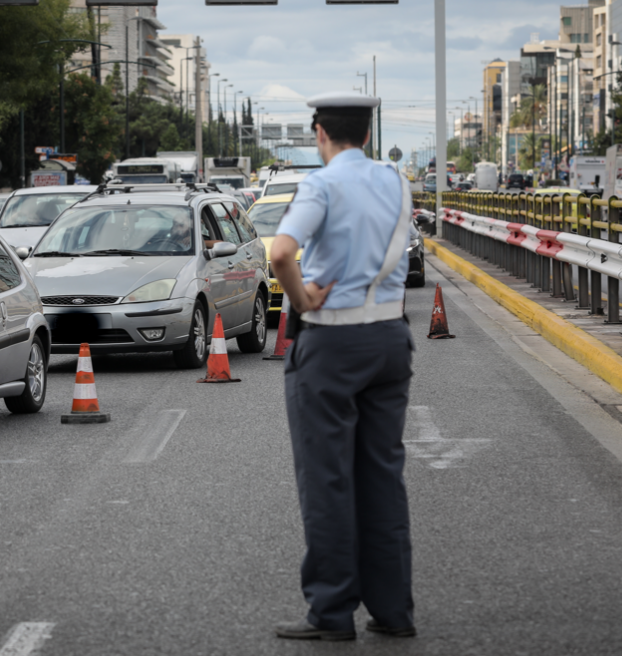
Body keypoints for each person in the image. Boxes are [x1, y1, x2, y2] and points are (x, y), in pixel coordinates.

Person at [269, 92, 416, 642]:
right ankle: (394, 611)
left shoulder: (322, 184)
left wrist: (302, 300)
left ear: (319, 133)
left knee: (328, 479)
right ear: (370, 136)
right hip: (390, 338)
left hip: (332, 344)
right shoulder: (397, 182)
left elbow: (281, 252)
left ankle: (331, 614)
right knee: (382, 476)